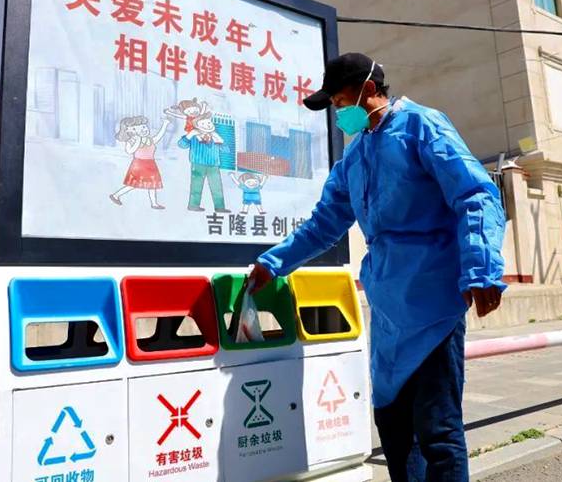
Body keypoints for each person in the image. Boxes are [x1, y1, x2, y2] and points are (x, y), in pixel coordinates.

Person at [246, 53, 506, 481]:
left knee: (438, 432)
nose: (337, 113)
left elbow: (475, 194)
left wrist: (481, 269)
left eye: (339, 101)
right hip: (387, 311)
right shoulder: (356, 155)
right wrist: (272, 263)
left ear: (368, 90)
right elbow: (324, 224)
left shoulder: (422, 126)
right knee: (394, 429)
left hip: (432, 305)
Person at [109, 115, 170, 209]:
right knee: (133, 184)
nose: (144, 129)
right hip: (139, 165)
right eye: (137, 129)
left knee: (152, 185)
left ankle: (154, 203)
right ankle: (116, 195)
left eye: (144, 127)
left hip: (151, 164)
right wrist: (138, 141)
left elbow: (158, 136)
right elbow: (130, 151)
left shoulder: (149, 140)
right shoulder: (131, 141)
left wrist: (165, 124)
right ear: (131, 131)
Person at [178, 112, 229, 213]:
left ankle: (220, 207)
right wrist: (190, 134)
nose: (207, 125)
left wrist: (219, 139)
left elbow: (226, 150)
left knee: (217, 187)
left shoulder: (215, 136)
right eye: (203, 123)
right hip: (198, 164)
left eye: (209, 123)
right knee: (196, 186)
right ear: (197, 126)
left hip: (213, 165)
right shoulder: (194, 136)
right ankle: (193, 206)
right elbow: (181, 145)